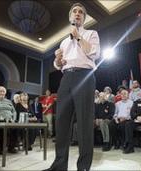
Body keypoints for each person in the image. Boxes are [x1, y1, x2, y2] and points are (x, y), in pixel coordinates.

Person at [44, 3, 100, 171]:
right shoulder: (63, 42)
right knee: (61, 122)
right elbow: (58, 64)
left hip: (85, 76)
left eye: (81, 12)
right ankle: (59, 165)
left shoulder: (91, 33)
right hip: (66, 77)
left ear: (84, 18)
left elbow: (94, 53)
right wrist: (58, 60)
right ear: (70, 17)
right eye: (74, 11)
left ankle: (83, 166)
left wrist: (78, 37)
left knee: (84, 122)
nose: (77, 14)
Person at [123, 87, 141, 154]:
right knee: (128, 124)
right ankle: (130, 147)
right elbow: (132, 112)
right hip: (137, 120)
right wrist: (137, 117)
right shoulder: (137, 101)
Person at [0, 86, 18, 153]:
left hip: (10, 120)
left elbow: (14, 111)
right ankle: (2, 148)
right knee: (3, 128)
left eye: (3, 91)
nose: (2, 93)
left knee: (16, 128)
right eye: (0, 91)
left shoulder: (9, 101)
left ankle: (11, 147)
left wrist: (14, 119)